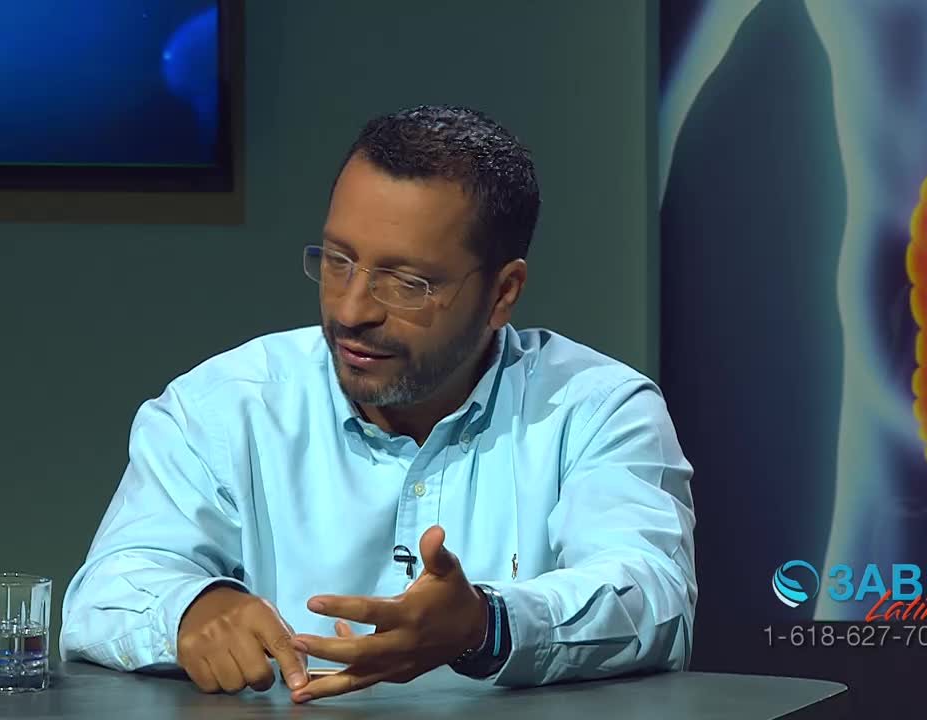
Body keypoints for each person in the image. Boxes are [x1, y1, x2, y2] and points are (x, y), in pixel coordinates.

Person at [59, 104, 698, 703]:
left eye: (407, 282)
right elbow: (106, 590)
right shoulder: (223, 408)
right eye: (338, 261)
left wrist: (485, 624)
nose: (351, 310)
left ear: (503, 293)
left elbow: (653, 596)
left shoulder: (598, 410)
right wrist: (190, 609)